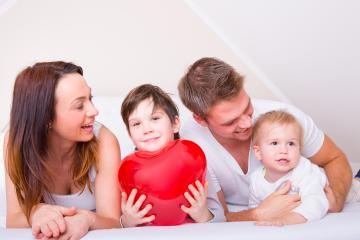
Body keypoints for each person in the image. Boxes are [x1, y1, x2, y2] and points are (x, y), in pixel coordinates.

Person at [178, 57, 352, 222]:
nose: (247, 123)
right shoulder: (191, 142)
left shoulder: (285, 118)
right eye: (231, 122)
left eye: (247, 108)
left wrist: (336, 198)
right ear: (201, 120)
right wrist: (258, 213)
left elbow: (334, 158)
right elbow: (217, 215)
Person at [4, 62, 121, 239]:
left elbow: (113, 220)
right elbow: (13, 219)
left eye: (90, 99)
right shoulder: (15, 141)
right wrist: (35, 212)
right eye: (79, 105)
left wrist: (87, 219)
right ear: (46, 118)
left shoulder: (104, 141)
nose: (94, 111)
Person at [119, 84, 214, 227]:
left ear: (175, 124)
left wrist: (203, 214)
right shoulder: (128, 171)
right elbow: (118, 222)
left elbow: (220, 217)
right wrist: (127, 221)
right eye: (137, 124)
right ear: (130, 135)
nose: (147, 129)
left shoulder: (192, 160)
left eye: (155, 118)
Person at [249, 110, 328, 226]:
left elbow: (317, 202)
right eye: (275, 143)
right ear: (258, 152)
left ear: (299, 149)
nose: (284, 150)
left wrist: (287, 219)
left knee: (354, 191)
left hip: (327, 183)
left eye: (291, 143)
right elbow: (255, 208)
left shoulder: (303, 170)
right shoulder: (256, 179)